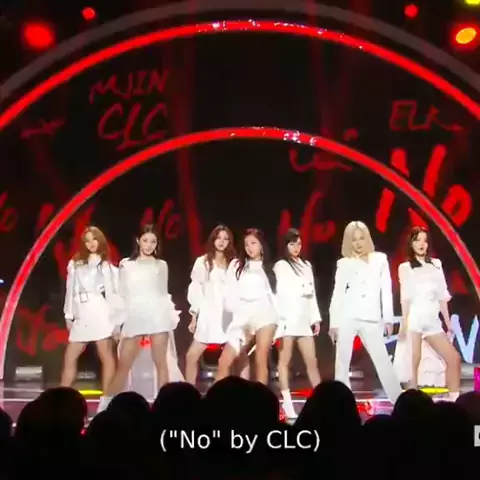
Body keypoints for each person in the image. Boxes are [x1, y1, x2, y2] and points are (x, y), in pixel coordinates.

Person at [101, 224, 183, 411]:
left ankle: (164, 409)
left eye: (153, 242)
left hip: (157, 315)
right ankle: (104, 408)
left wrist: (169, 316)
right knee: (124, 365)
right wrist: (117, 325)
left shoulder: (161, 265)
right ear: (138, 241)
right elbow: (122, 295)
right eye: (145, 241)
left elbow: (163, 293)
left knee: (161, 364)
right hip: (135, 315)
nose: (149, 245)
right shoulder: (126, 264)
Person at [329, 221, 402, 403]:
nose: (358, 243)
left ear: (367, 238)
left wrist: (388, 319)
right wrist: (334, 323)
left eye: (361, 238)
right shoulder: (344, 263)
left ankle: (398, 400)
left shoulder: (380, 259)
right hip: (347, 316)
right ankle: (341, 403)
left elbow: (386, 290)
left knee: (383, 361)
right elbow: (337, 294)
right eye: (354, 240)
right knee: (342, 363)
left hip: (371, 317)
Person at [395, 226, 461, 400]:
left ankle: (454, 401)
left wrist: (448, 323)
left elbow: (442, 296)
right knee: (413, 364)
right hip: (415, 320)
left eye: (424, 240)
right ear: (411, 244)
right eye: (417, 240)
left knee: (453, 358)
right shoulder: (405, 267)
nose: (421, 244)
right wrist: (404, 324)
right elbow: (405, 298)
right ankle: (413, 404)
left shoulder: (436, 264)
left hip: (432, 322)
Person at [185, 225, 248, 384]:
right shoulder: (203, 262)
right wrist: (194, 316)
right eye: (218, 238)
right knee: (191, 356)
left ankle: (244, 392)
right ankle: (189, 392)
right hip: (209, 315)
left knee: (240, 355)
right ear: (213, 240)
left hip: (230, 316)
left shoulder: (234, 263)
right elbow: (196, 289)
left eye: (226, 239)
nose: (222, 242)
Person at [61, 226, 118, 400]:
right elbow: (70, 291)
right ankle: (61, 398)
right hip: (81, 312)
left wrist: (116, 320)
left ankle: (107, 400)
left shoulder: (105, 266)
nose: (91, 243)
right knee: (70, 357)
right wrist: (68, 315)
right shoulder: (75, 263)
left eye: (94, 239)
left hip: (99, 310)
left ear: (100, 241)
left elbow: (112, 294)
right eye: (87, 240)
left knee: (106, 356)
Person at [216, 228, 279, 385]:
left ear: (262, 245)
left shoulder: (270, 268)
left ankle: (261, 397)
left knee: (260, 359)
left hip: (265, 315)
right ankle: (216, 398)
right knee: (225, 361)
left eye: (253, 243)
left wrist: (281, 324)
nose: (249, 247)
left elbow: (276, 297)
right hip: (243, 316)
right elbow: (230, 294)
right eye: (246, 244)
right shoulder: (237, 265)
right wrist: (238, 320)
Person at [274, 228, 322, 419]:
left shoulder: (306, 265)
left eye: (299, 244)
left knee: (312, 362)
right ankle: (287, 404)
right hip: (286, 319)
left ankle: (322, 401)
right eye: (292, 244)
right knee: (284, 362)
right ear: (286, 245)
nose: (296, 247)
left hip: (303, 319)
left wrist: (315, 318)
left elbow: (311, 294)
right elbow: (281, 293)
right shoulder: (280, 266)